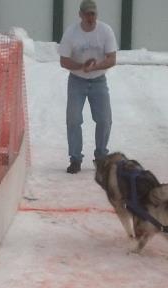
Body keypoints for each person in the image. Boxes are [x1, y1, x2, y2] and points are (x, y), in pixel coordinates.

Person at [58, 0, 117, 174]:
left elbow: (112, 58)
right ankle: (75, 159)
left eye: (93, 14)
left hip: (99, 80)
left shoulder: (105, 31)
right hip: (77, 80)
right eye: (87, 14)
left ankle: (101, 157)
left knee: (105, 120)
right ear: (80, 15)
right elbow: (63, 60)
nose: (90, 17)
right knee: (73, 119)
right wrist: (80, 66)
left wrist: (95, 67)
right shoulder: (71, 32)